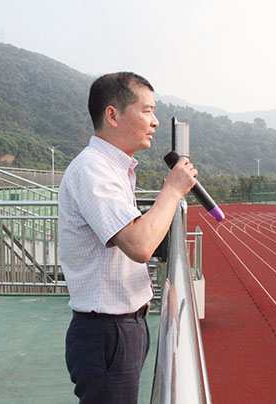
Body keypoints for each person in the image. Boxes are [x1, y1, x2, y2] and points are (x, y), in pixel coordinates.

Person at [57, 72, 197, 404]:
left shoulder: (114, 169)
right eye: (147, 111)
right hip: (106, 331)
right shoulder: (92, 170)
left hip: (121, 326)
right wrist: (172, 190)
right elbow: (139, 245)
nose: (155, 121)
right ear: (113, 115)